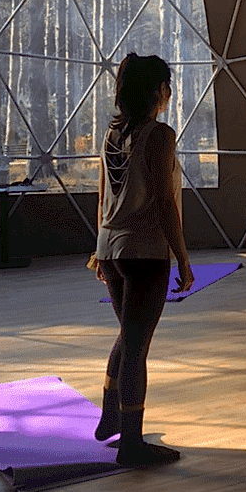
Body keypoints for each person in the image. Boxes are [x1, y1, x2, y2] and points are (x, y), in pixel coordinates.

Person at [92, 53, 194, 467]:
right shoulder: (159, 134)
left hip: (111, 247)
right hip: (145, 250)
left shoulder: (112, 133)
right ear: (158, 90)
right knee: (137, 346)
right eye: (167, 86)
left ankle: (110, 416)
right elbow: (165, 202)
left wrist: (98, 249)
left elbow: (103, 197)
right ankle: (131, 444)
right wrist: (182, 258)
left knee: (127, 335)